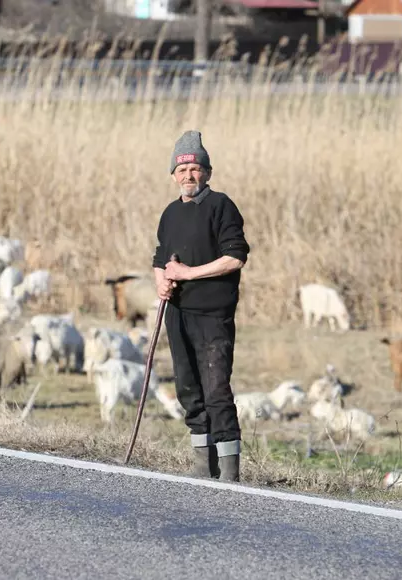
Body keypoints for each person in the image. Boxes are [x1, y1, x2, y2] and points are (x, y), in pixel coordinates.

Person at [151, 130, 250, 482]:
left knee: (216, 389)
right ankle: (201, 467)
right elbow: (160, 259)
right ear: (173, 175)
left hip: (212, 315)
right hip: (177, 314)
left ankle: (229, 472)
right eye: (182, 170)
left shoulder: (221, 206)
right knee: (188, 389)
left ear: (207, 172)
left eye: (195, 168)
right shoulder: (170, 213)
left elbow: (235, 258)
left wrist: (188, 273)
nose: (188, 176)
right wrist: (162, 280)